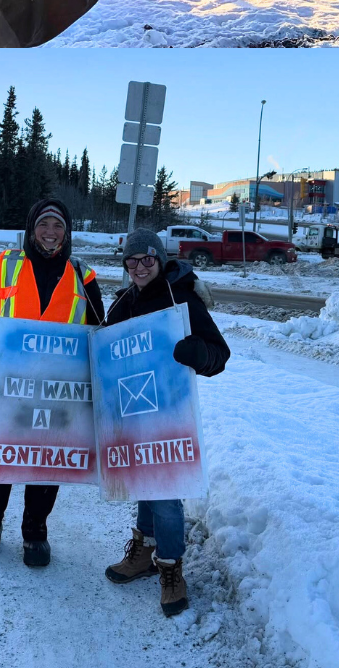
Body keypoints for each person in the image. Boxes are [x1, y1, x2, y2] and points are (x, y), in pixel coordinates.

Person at [0, 198, 104, 563]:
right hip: (8, 384)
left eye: (58, 226)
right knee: (0, 449)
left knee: (47, 454)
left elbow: (101, 330)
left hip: (58, 389)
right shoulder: (7, 266)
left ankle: (35, 528)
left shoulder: (82, 275)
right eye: (44, 225)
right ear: (31, 228)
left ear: (67, 232)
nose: (50, 233)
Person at [101, 229, 230, 617]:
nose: (139, 267)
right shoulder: (123, 301)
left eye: (147, 260)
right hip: (131, 410)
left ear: (159, 260)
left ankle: (171, 567)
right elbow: (106, 347)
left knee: (165, 490)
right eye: (132, 261)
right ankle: (143, 552)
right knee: (142, 479)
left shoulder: (182, 299)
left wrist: (198, 354)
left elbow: (219, 354)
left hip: (169, 413)